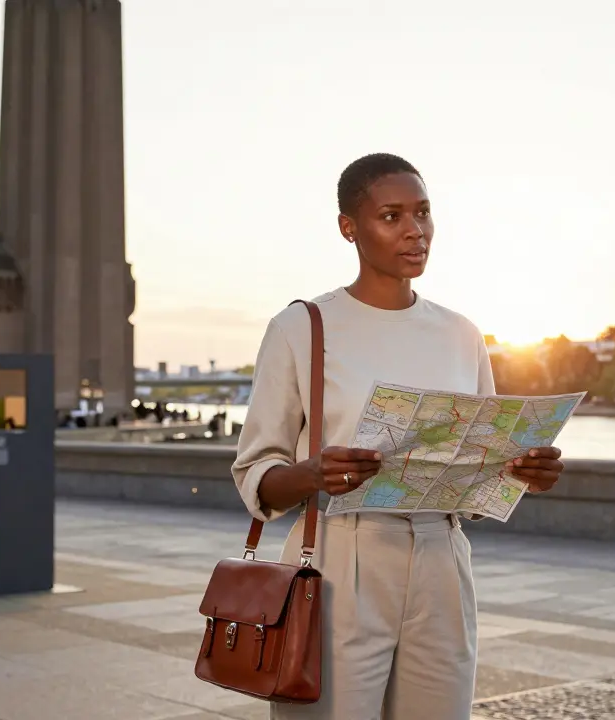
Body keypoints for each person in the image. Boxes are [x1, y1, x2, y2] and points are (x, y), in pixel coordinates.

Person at [232, 153, 567, 719]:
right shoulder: (301, 327)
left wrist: (518, 472)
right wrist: (314, 473)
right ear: (349, 228)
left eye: (424, 213)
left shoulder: (461, 334)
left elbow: (476, 472)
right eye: (391, 216)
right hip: (341, 559)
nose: (415, 230)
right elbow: (255, 473)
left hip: (442, 559)